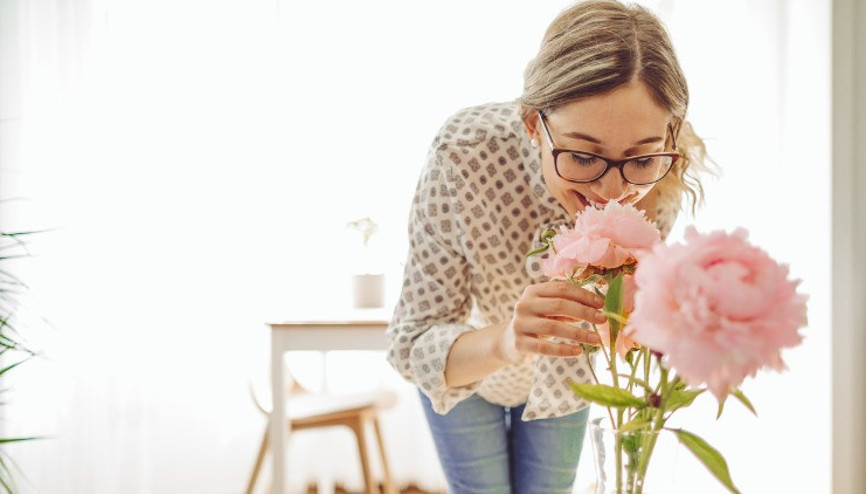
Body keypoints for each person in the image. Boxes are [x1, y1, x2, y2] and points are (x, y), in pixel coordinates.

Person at [386, 1, 713, 492]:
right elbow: (411, 344)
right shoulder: (464, 154)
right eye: (582, 155)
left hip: (565, 376)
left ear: (668, 135)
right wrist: (509, 339)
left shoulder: (659, 181)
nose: (610, 191)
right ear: (533, 124)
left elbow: (630, 329)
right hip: (465, 372)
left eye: (640, 158)